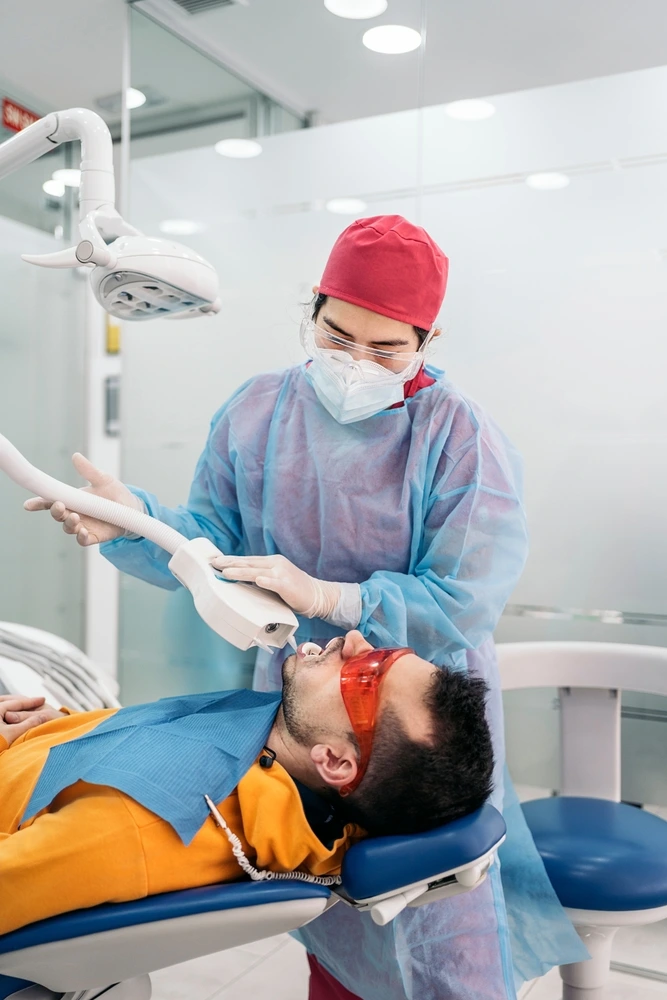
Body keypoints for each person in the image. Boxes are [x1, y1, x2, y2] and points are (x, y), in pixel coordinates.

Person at [25, 215, 587, 999]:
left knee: (437, 924)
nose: (357, 362)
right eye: (336, 335)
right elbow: (212, 547)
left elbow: (463, 602)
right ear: (312, 311)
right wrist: (130, 520)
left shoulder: (459, 438)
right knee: (326, 890)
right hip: (300, 698)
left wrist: (334, 598)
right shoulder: (258, 411)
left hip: (404, 712)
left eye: (387, 348)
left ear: (426, 340)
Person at [0, 631, 493, 936]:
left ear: (336, 764)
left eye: (367, 673)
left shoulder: (140, 825)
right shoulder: (260, 752)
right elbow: (124, 758)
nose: (356, 640)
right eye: (384, 652)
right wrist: (52, 730)